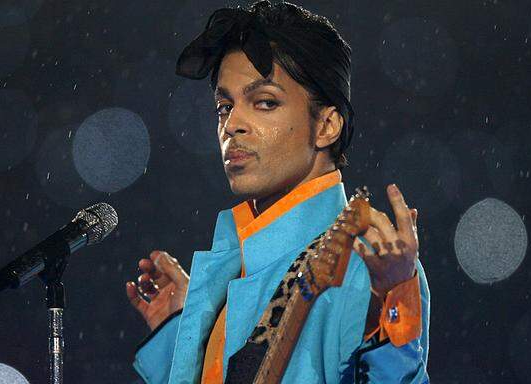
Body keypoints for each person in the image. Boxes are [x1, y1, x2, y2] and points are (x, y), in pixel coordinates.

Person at [126, 1, 429, 383]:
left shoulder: (364, 264)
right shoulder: (229, 271)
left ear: (327, 125)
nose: (232, 124)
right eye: (224, 106)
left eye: (265, 102)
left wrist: (394, 300)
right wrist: (183, 332)